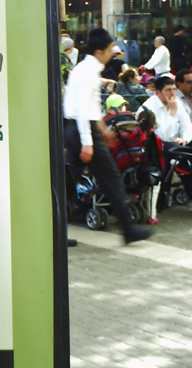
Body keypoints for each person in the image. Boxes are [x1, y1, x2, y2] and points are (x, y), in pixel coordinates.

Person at [64, 27, 153, 245]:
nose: (112, 53)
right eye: (109, 49)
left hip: (77, 130)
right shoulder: (87, 72)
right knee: (111, 179)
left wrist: (102, 130)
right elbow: (82, 110)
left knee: (64, 183)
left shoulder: (84, 69)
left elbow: (87, 108)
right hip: (83, 131)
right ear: (99, 51)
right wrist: (88, 143)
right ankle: (128, 230)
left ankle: (53, 235)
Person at [138, 76, 192, 197]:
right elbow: (162, 135)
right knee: (173, 150)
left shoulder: (177, 103)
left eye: (174, 89)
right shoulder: (150, 107)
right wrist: (172, 113)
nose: (172, 93)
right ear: (158, 92)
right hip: (156, 147)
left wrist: (184, 139)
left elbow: (188, 126)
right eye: (168, 90)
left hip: (176, 144)